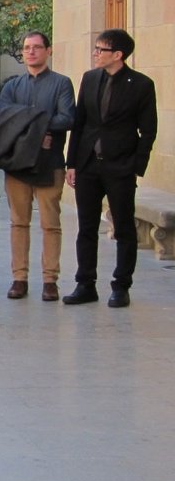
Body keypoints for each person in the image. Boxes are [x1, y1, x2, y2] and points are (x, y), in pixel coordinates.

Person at [64, 29, 158, 308]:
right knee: (86, 227)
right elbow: (79, 123)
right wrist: (72, 163)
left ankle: (121, 285)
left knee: (124, 228)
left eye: (100, 49)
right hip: (88, 165)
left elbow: (148, 130)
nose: (95, 53)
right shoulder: (90, 78)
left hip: (120, 166)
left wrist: (135, 166)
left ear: (117, 54)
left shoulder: (141, 84)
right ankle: (85, 284)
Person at [0, 31, 75, 301]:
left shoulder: (62, 84)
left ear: (48, 51)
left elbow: (67, 118)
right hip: (17, 164)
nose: (31, 52)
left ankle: (50, 280)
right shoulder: (11, 86)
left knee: (50, 224)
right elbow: (5, 119)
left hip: (50, 163)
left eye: (37, 47)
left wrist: (26, 123)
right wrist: (40, 129)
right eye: (27, 47)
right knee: (19, 222)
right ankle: (19, 278)